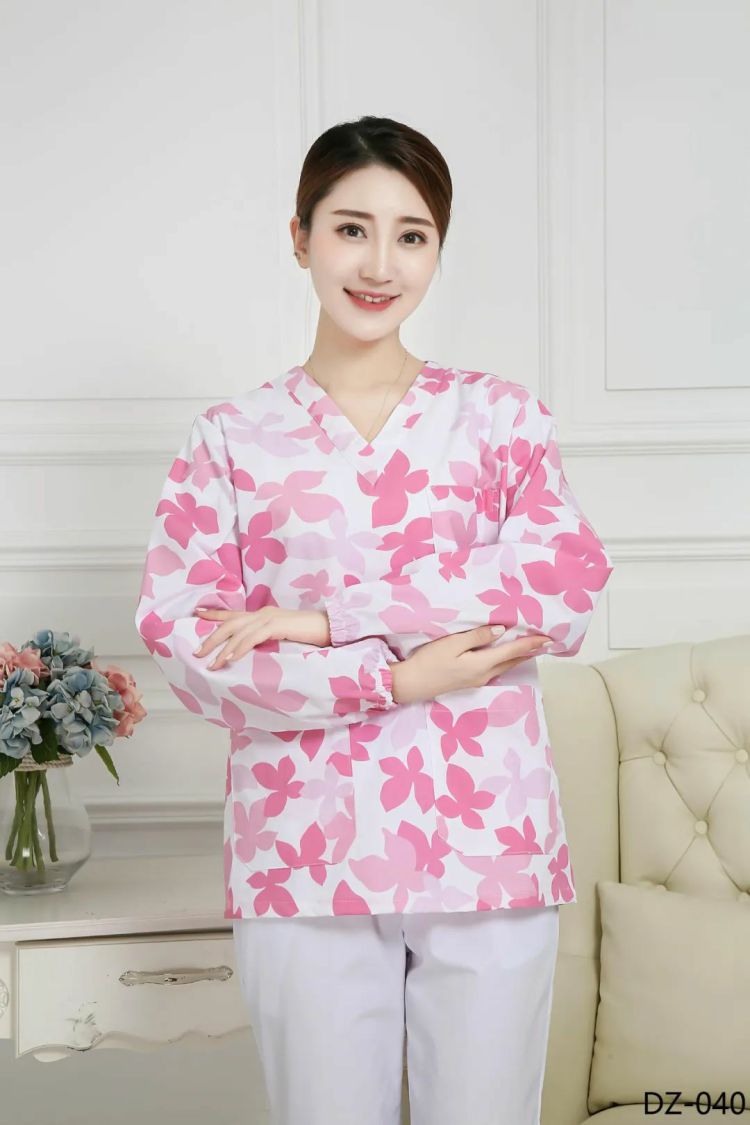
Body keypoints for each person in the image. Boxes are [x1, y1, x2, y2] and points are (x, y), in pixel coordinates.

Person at [134, 115, 614, 1125]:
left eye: (412, 235)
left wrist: (325, 620)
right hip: (301, 849)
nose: (380, 265)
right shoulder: (230, 440)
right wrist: (393, 678)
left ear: (438, 249)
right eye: (352, 228)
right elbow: (197, 649)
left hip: (486, 841)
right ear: (300, 236)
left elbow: (562, 582)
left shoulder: (500, 419)